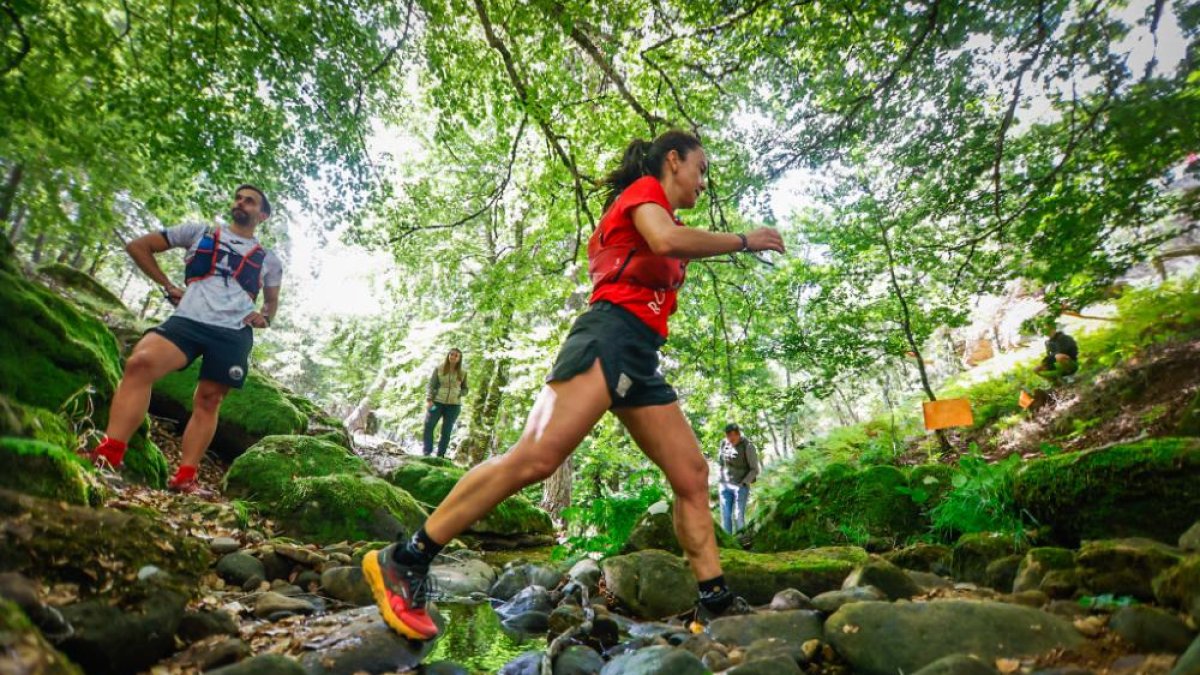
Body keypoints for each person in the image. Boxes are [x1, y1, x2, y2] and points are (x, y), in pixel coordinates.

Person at [362, 130, 785, 640]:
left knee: (692, 473)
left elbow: (671, 242)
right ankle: (406, 559)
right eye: (701, 168)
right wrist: (744, 240)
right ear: (673, 160)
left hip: (640, 355)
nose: (703, 181)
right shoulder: (644, 194)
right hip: (607, 336)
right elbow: (664, 242)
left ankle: (713, 603)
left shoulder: (671, 219)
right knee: (535, 459)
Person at [87, 185, 282, 493]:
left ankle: (185, 478)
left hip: (233, 333)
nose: (240, 203)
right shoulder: (198, 232)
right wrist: (167, 285)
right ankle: (108, 456)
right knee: (140, 364)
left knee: (209, 400)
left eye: (250, 201)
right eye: (238, 198)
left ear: (263, 215)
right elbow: (139, 246)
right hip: (188, 320)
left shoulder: (269, 260)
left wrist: (265, 317)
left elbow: (271, 302)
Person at [716, 423, 759, 535]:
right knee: (726, 516)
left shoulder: (748, 446)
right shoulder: (723, 443)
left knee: (738, 516)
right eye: (728, 437)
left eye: (732, 437)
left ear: (738, 434)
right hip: (724, 485)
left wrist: (744, 483)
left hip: (740, 486)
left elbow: (755, 469)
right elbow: (720, 463)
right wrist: (720, 478)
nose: (730, 440)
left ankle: (742, 539)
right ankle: (729, 542)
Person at [423, 349, 468, 457]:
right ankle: (427, 452)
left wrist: (459, 393)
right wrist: (429, 399)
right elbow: (431, 385)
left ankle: (440, 456)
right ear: (448, 355)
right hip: (437, 402)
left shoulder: (463, 372)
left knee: (446, 431)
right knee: (428, 426)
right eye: (451, 354)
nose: (453, 357)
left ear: (459, 358)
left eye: (456, 356)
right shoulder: (439, 368)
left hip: (454, 406)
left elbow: (465, 389)